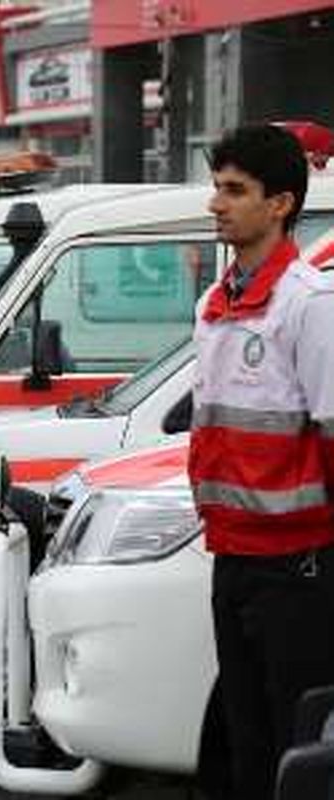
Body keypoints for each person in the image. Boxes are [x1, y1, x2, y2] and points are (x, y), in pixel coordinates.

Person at [191, 123, 334, 800]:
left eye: (234, 190)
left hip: (298, 567)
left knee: (296, 743)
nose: (216, 203)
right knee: (245, 740)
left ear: (280, 204)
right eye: (216, 187)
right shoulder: (214, 306)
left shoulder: (310, 305)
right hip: (233, 558)